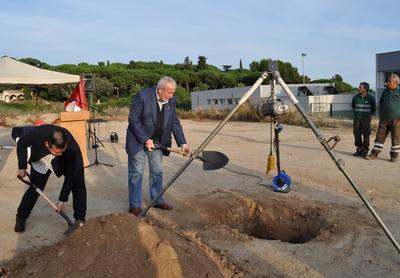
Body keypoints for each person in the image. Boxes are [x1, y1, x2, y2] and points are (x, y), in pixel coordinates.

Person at [125, 76, 190, 216]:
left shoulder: (171, 101)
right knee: (136, 173)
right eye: (170, 92)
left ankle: (157, 200)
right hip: (138, 141)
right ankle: (134, 206)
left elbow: (174, 122)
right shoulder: (142, 96)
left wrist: (183, 143)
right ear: (160, 90)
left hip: (158, 143)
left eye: (173, 92)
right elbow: (133, 120)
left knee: (157, 171)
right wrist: (145, 139)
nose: (172, 96)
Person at [15, 125, 87, 232]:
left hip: (64, 162)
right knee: (35, 189)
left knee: (78, 184)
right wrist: (22, 166)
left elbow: (71, 176)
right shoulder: (38, 134)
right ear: (47, 144)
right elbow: (21, 144)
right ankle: (21, 217)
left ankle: (80, 219)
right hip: (42, 157)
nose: (59, 154)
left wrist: (62, 199)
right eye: (57, 152)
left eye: (62, 151)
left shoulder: (71, 149)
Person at [368, 74, 400, 162]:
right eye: (388, 81)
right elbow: (381, 103)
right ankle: (374, 154)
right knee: (379, 137)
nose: (387, 83)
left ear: (396, 82)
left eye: (390, 81)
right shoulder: (385, 91)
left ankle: (394, 156)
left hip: (397, 119)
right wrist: (380, 115)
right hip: (384, 119)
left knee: (396, 138)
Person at [351, 82, 376, 157]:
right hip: (357, 120)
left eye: (360, 87)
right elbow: (353, 106)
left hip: (366, 120)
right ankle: (359, 149)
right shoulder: (355, 97)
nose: (359, 89)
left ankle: (365, 150)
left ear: (365, 89)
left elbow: (373, 109)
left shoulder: (371, 98)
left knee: (366, 134)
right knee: (357, 134)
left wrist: (368, 116)